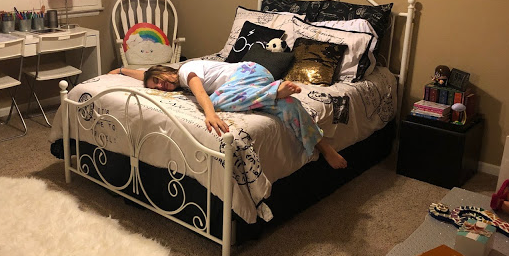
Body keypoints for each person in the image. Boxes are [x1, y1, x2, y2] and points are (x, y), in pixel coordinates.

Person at [109, 61, 348, 169]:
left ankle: (274, 90)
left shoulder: (187, 71)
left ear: (165, 71)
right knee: (288, 107)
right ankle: (325, 148)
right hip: (252, 82)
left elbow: (200, 93)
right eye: (157, 87)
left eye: (159, 80)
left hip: (247, 74)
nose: (161, 86)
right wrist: (121, 70)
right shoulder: (171, 78)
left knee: (213, 101)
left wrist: (210, 114)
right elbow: (145, 74)